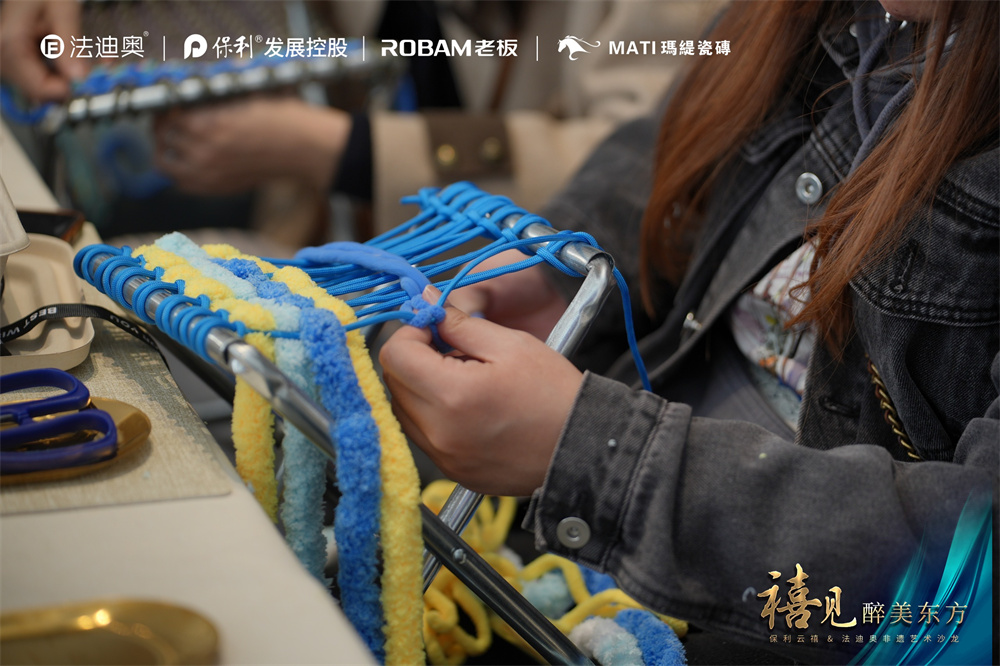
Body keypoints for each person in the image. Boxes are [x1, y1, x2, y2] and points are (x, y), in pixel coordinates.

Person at [380, 0, 998, 661]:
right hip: (651, 417)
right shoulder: (821, 17)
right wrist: (558, 276)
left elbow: (975, 574)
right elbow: (683, 140)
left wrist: (597, 453)